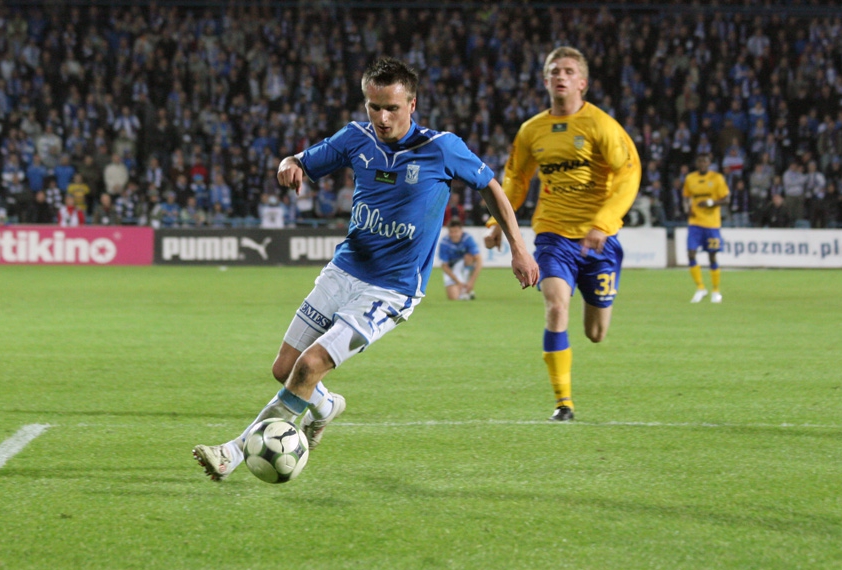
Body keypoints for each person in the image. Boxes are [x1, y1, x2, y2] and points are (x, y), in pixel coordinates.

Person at [193, 57, 538, 481]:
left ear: (413, 104)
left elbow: (491, 187)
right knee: (285, 368)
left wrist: (519, 249)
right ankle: (326, 406)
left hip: (391, 289)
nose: (382, 117)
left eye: (392, 107)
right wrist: (291, 164)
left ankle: (233, 452)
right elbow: (301, 159)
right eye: (374, 106)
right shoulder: (356, 138)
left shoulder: (442, 148)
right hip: (344, 270)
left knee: (309, 365)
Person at [484, 46, 641, 422]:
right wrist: (496, 225)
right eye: (554, 70)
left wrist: (604, 222)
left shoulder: (602, 125)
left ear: (582, 82)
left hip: (599, 239)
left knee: (596, 333)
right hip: (553, 235)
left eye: (568, 71)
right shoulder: (531, 130)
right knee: (556, 305)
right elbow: (516, 179)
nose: (560, 76)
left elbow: (628, 174)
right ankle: (563, 403)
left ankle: (596, 308)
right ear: (545, 80)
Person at [683, 152, 730, 303]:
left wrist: (710, 203)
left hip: (712, 224)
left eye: (705, 161)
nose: (702, 164)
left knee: (712, 256)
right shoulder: (690, 178)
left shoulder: (717, 178)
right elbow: (686, 196)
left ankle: (716, 290)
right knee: (691, 254)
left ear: (709, 163)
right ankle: (700, 288)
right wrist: (686, 208)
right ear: (697, 163)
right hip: (694, 223)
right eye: (700, 161)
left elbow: (726, 199)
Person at [438, 217, 482, 300]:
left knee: (469, 257)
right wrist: (458, 282)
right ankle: (465, 292)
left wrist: (471, 282)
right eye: (451, 232)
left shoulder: (467, 239)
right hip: (451, 270)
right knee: (453, 298)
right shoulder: (444, 242)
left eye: (456, 232)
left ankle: (467, 286)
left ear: (461, 231)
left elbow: (479, 259)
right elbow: (444, 266)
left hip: (463, 266)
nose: (454, 234)